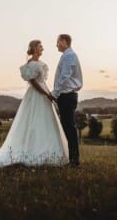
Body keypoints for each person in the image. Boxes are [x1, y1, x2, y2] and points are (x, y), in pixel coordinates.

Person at [51, 34, 83, 167]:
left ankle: (74, 160)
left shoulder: (69, 55)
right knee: (67, 126)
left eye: (57, 42)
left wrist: (55, 92)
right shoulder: (67, 55)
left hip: (67, 96)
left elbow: (65, 75)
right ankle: (71, 158)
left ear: (64, 42)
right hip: (65, 95)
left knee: (69, 127)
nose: (56, 45)